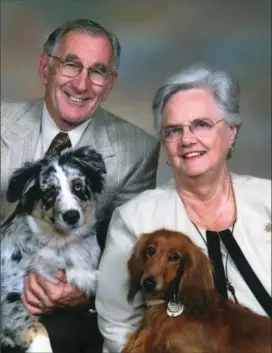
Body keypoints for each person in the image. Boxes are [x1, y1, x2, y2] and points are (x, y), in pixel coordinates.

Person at [1, 19, 160, 353]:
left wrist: (81, 293)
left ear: (110, 83)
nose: (82, 83)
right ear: (45, 68)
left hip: (63, 307)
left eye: (97, 71)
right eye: (71, 64)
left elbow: (129, 253)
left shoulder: (137, 150)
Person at [96, 64, 271, 352]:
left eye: (201, 124)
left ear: (230, 132)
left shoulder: (268, 199)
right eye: (174, 130)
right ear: (165, 143)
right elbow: (117, 326)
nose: (187, 139)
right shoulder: (135, 218)